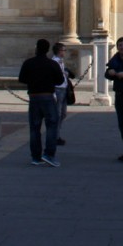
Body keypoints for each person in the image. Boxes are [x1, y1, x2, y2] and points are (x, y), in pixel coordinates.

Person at [19, 39, 64, 167]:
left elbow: (22, 78)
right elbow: (60, 80)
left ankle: (35, 156)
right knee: (51, 126)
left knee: (34, 128)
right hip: (48, 97)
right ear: (48, 49)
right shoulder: (52, 64)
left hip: (34, 98)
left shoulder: (29, 63)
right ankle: (49, 154)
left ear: (36, 48)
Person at [51, 42, 72, 146]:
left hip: (63, 88)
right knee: (57, 114)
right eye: (64, 50)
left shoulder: (61, 62)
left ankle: (57, 134)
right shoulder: (54, 62)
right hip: (57, 89)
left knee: (63, 114)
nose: (64, 52)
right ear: (59, 51)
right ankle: (55, 136)